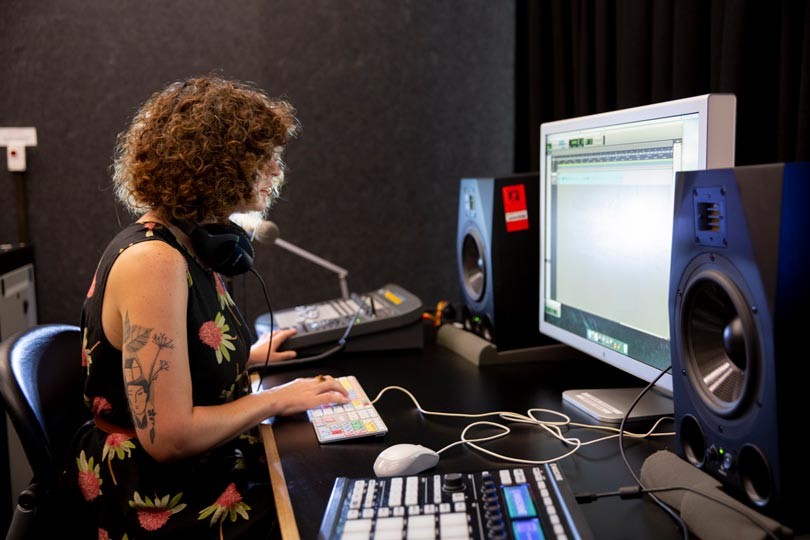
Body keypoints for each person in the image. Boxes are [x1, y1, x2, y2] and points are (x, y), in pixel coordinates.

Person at [65, 74, 350, 539]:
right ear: (218, 166)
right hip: (159, 498)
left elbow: (174, 358)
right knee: (322, 514)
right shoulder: (154, 260)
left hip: (195, 472)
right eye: (264, 159)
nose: (276, 172)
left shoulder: (188, 243)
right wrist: (278, 398)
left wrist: (248, 356)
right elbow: (169, 437)